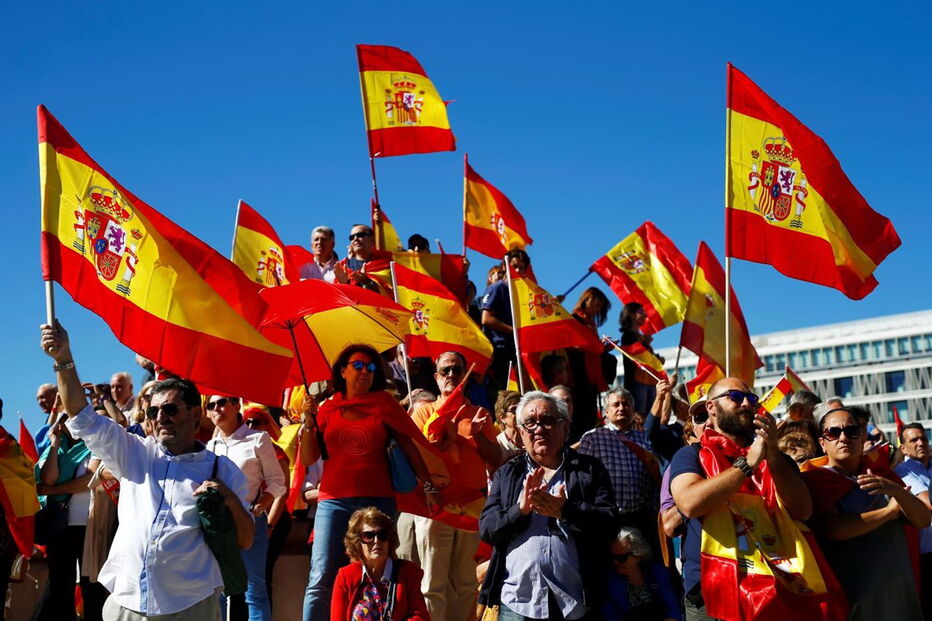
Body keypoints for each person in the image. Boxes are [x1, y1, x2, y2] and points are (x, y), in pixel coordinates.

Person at [39, 321, 254, 621]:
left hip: (190, 605)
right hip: (127, 601)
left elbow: (245, 539)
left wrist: (226, 496)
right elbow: (82, 417)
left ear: (195, 414)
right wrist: (64, 358)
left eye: (170, 409)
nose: (160, 417)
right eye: (153, 412)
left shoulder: (223, 469)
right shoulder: (135, 453)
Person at [301, 344, 441, 621]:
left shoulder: (384, 404)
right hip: (333, 501)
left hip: (377, 500)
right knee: (321, 577)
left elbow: (409, 446)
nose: (365, 371)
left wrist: (429, 487)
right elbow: (308, 457)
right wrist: (308, 420)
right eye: (358, 365)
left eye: (371, 367)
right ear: (343, 371)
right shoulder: (326, 409)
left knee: (377, 574)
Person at [669, 377, 820, 621]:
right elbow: (689, 503)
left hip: (776, 587)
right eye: (735, 397)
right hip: (712, 592)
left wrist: (771, 455)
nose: (746, 404)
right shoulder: (691, 455)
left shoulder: (775, 458)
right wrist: (748, 463)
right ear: (711, 408)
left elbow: (802, 510)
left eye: (751, 399)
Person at [479, 391, 618, 620]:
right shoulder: (508, 473)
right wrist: (519, 510)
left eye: (548, 421)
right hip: (518, 602)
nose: (539, 429)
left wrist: (566, 511)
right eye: (531, 423)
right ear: (522, 432)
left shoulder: (589, 469)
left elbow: (610, 524)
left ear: (565, 428)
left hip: (574, 601)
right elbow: (486, 528)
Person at [801, 408, 929, 620]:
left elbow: (923, 519)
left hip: (900, 592)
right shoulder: (815, 480)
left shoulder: (883, 475)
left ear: (861, 437)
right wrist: (889, 512)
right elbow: (834, 529)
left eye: (851, 431)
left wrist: (896, 491)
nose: (843, 438)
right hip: (856, 596)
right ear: (822, 443)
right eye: (833, 432)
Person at [403, 352, 502, 621]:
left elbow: (495, 461)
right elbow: (415, 456)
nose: (452, 375)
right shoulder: (423, 412)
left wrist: (479, 436)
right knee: (433, 585)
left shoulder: (479, 414)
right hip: (435, 507)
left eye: (457, 370)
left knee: (466, 584)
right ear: (436, 377)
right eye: (445, 370)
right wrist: (442, 425)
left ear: (464, 375)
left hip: (471, 508)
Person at [205, 396, 287, 621]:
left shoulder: (258, 438)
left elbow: (277, 481)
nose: (216, 409)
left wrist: (261, 506)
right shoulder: (209, 447)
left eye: (221, 403)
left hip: (250, 522)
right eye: (210, 406)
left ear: (236, 405)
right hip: (218, 524)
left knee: (255, 591)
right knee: (217, 589)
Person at [578, 387, 661, 556]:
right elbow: (582, 482)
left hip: (641, 520)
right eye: (616, 404)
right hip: (608, 521)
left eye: (626, 404)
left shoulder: (644, 438)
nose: (621, 408)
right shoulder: (593, 438)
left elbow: (655, 477)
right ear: (606, 411)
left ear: (633, 408)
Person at [32, 409, 94, 621]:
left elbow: (89, 481)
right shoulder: (58, 449)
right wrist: (55, 444)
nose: (70, 424)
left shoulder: (94, 445)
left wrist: (54, 491)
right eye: (66, 420)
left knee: (89, 584)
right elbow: (47, 480)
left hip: (87, 524)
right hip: (59, 526)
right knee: (60, 585)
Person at [330, 507, 429, 621]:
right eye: (368, 536)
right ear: (357, 542)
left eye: (382, 535)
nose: (376, 541)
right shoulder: (345, 576)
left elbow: (421, 617)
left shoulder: (408, 572)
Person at [567, 286, 616, 442]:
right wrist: (595, 347)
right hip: (578, 375)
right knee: (580, 417)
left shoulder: (590, 325)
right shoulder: (575, 319)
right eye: (595, 305)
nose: (596, 310)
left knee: (589, 417)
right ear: (585, 300)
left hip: (591, 378)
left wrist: (601, 347)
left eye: (599, 307)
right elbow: (569, 344)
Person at [602, 527, 682, 621]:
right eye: (613, 557)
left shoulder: (658, 573)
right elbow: (611, 615)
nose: (615, 562)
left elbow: (673, 609)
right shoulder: (611, 582)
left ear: (638, 556)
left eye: (621, 558)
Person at [894, 422, 932, 620]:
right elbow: (928, 504)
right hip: (925, 555)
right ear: (903, 447)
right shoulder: (904, 471)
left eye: (923, 438)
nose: (920, 443)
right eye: (914, 440)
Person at [480, 249, 530, 389]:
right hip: (499, 350)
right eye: (514, 266)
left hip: (514, 349)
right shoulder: (498, 288)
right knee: (504, 390)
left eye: (521, 267)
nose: (518, 270)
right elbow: (486, 319)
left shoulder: (520, 291)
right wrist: (514, 331)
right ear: (505, 267)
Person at [619, 302, 662, 415]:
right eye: (641, 312)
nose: (645, 316)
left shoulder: (641, 337)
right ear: (632, 315)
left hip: (649, 381)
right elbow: (639, 357)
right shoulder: (628, 336)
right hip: (637, 381)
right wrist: (646, 345)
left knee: (651, 415)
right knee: (639, 415)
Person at [494, 390, 522, 461]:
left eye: (521, 408)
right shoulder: (498, 445)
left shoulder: (533, 437)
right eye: (514, 409)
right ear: (502, 417)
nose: (519, 413)